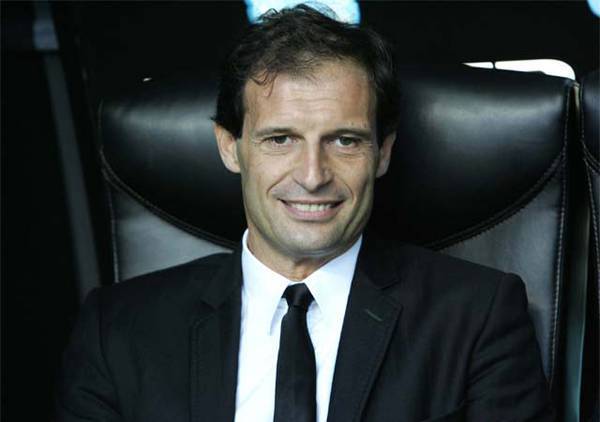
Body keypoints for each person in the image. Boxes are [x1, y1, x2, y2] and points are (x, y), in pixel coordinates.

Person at [57, 5, 553, 421]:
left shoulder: (477, 316)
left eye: (345, 140)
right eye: (280, 139)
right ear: (230, 147)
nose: (313, 175)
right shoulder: (117, 330)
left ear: (382, 153)